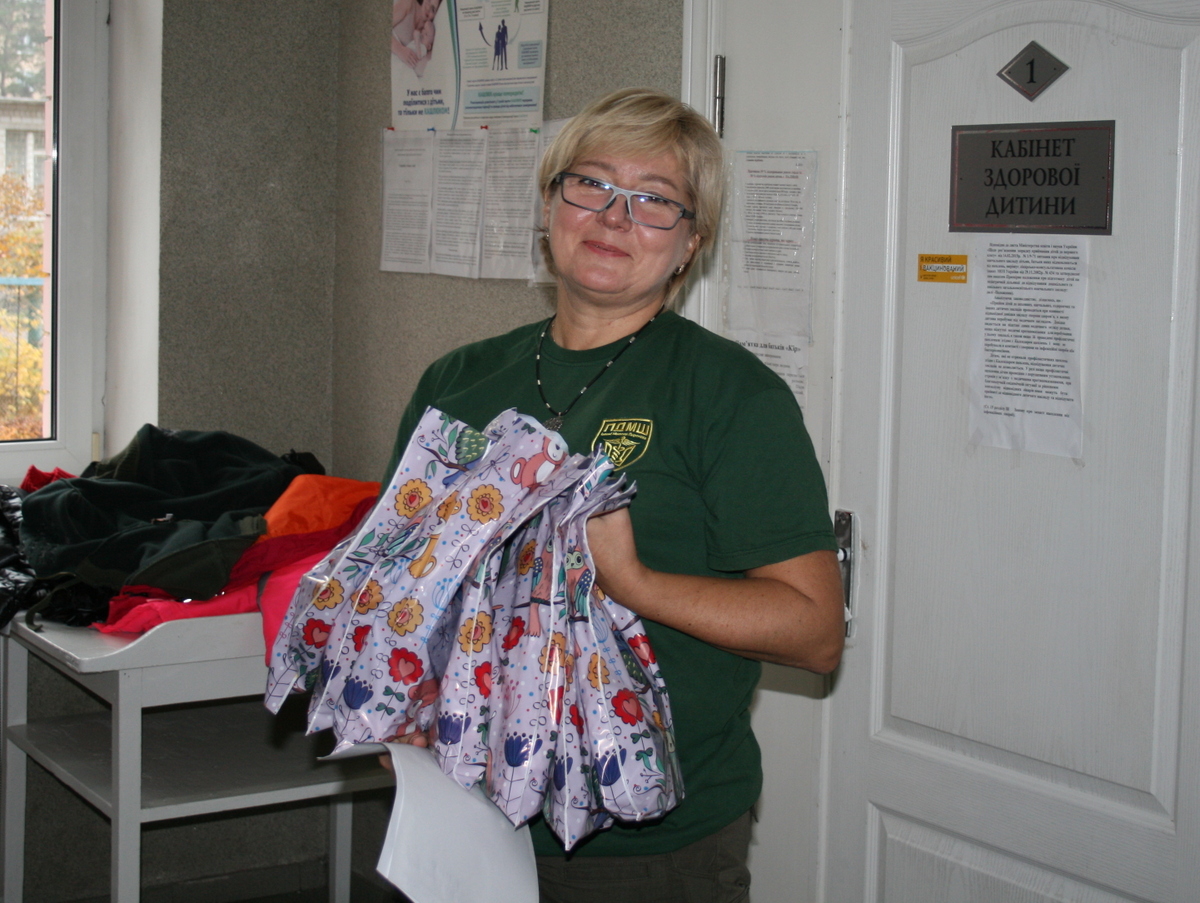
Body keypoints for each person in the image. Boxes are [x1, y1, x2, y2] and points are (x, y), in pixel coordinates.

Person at [384, 87, 844, 902]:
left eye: (655, 200)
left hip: (642, 846)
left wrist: (635, 583)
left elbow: (815, 632)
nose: (613, 216)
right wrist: (399, 700)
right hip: (461, 809)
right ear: (550, 204)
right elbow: (402, 582)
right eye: (590, 184)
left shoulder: (731, 394)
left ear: (691, 243)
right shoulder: (456, 380)